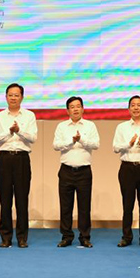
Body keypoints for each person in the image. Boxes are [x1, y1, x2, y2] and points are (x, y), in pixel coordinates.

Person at [0, 83, 37, 248]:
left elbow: (33, 138)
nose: (13, 98)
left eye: (16, 95)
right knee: (5, 200)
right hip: (4, 158)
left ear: (22, 97)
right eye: (10, 95)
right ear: (6, 97)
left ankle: (22, 237)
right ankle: (6, 237)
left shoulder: (29, 115)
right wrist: (9, 132)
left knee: (22, 199)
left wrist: (19, 131)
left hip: (22, 159)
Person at [52, 96, 99, 248]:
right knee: (66, 206)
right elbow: (56, 145)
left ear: (83, 109)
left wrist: (81, 140)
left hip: (84, 171)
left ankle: (84, 237)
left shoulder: (90, 126)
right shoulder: (62, 126)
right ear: (68, 111)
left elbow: (96, 144)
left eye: (78, 106)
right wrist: (72, 141)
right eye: (72, 107)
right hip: (66, 170)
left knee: (84, 206)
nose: (75, 109)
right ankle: (66, 236)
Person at [112, 95, 140, 248]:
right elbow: (115, 147)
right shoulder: (121, 127)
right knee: (127, 204)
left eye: (139, 105)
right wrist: (129, 143)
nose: (136, 108)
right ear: (129, 108)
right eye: (133, 105)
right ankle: (126, 236)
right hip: (127, 168)